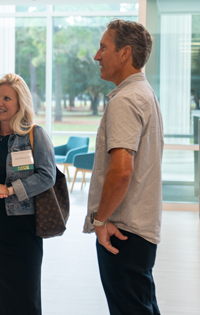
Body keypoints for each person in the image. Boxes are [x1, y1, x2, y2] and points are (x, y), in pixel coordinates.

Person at [83, 19, 164, 315]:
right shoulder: (145, 94)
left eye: (104, 47)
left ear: (125, 53)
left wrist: (100, 220)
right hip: (140, 231)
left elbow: (122, 169)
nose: (97, 55)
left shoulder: (125, 100)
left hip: (122, 231)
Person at [0, 73, 56, 315]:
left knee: (25, 297)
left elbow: (47, 176)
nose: (0, 103)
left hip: (24, 230)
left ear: (20, 104)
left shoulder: (34, 135)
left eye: (7, 98)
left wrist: (9, 190)